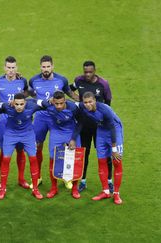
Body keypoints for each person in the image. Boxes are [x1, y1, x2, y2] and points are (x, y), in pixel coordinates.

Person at [28, 55, 78, 190]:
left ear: (52, 66)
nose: (46, 69)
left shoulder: (61, 80)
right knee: (37, 146)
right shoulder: (33, 80)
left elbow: (70, 94)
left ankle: (65, 177)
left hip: (57, 117)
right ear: (40, 67)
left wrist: (84, 101)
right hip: (41, 118)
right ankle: (37, 177)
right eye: (43, 67)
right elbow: (31, 94)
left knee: (64, 146)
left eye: (48, 66)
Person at [0, 56, 29, 189]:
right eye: (8, 68)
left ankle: (21, 179)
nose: (11, 70)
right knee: (5, 151)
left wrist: (20, 101)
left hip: (20, 121)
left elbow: (27, 92)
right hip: (4, 121)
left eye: (13, 68)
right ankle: (2, 180)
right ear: (5, 68)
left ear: (17, 68)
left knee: (20, 150)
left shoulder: (22, 81)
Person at [70, 60, 114, 192]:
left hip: (100, 127)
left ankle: (109, 181)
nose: (87, 74)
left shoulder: (103, 84)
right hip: (85, 125)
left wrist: (101, 115)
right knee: (84, 153)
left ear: (95, 71)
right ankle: (83, 181)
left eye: (90, 72)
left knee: (105, 155)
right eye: (85, 72)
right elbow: (69, 89)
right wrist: (78, 100)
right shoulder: (78, 80)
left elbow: (108, 102)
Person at [0, 93, 45, 200]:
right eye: (16, 104)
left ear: (25, 103)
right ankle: (3, 188)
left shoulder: (32, 106)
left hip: (27, 134)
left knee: (33, 158)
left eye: (21, 104)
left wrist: (51, 100)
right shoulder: (7, 107)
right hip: (11, 134)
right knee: (6, 159)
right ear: (13, 103)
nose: (19, 107)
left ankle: (35, 189)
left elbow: (44, 103)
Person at [78, 91, 124, 205]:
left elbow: (112, 127)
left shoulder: (104, 109)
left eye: (90, 102)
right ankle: (105, 191)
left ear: (95, 101)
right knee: (101, 160)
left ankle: (116, 194)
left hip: (114, 130)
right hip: (101, 130)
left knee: (117, 161)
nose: (88, 104)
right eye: (85, 102)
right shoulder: (83, 107)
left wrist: (114, 149)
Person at [39, 91, 82, 199]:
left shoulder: (72, 107)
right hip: (56, 131)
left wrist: (73, 138)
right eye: (56, 103)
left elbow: (80, 123)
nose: (58, 106)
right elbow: (33, 102)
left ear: (65, 101)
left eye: (61, 103)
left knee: (76, 159)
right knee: (53, 159)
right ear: (52, 101)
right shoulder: (47, 104)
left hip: (70, 131)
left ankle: (75, 188)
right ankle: (54, 188)